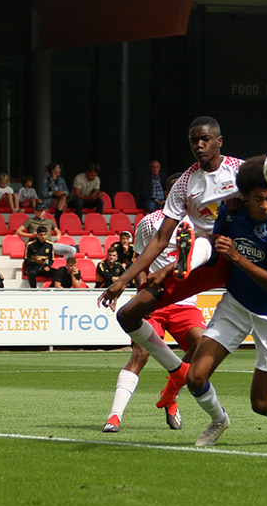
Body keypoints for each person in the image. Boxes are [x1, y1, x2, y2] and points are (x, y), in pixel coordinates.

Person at [98, 116, 242, 416]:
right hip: (206, 261)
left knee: (209, 349)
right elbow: (160, 239)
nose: (199, 145)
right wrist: (124, 279)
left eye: (204, 139)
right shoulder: (185, 185)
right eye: (193, 140)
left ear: (219, 141)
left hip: (239, 255)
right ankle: (176, 373)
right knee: (127, 314)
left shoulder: (240, 171)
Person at [184, 155, 267, 446]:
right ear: (244, 196)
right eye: (258, 199)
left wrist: (237, 256)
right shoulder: (230, 213)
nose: (264, 205)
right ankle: (218, 419)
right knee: (195, 377)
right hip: (236, 304)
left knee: (261, 403)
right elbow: (216, 250)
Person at [103, 209, 206, 433]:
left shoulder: (200, 220)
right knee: (140, 354)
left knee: (201, 343)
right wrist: (143, 293)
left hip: (186, 301)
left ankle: (170, 394)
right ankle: (114, 416)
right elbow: (140, 260)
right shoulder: (150, 222)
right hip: (155, 298)